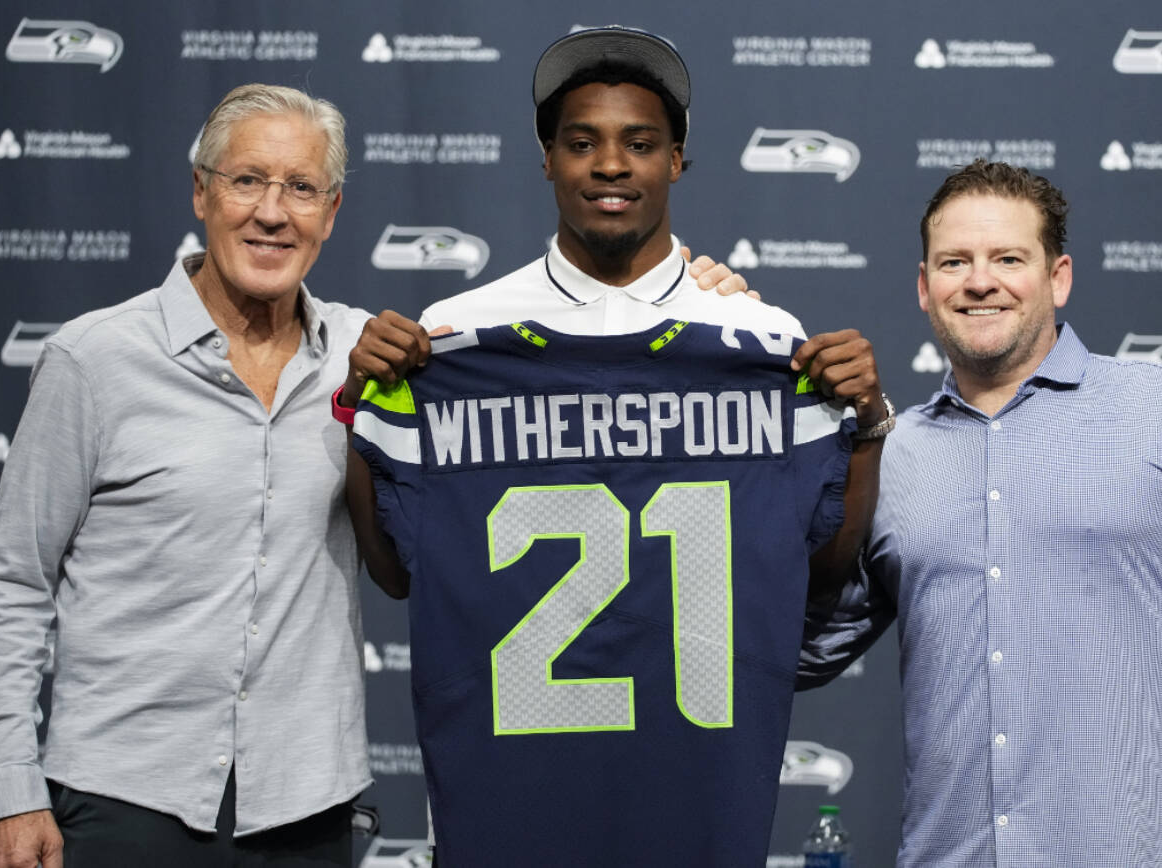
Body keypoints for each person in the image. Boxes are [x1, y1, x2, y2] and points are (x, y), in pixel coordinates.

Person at [0, 79, 745, 867]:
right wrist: (8, 791)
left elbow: (546, 345)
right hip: (122, 800)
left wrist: (695, 302)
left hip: (305, 810)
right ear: (200, 193)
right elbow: (13, 584)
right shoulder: (93, 359)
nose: (273, 212)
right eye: (247, 181)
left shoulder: (373, 359)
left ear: (331, 213)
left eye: (302, 189)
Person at [336, 26, 889, 864]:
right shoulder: (457, 338)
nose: (610, 165)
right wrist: (362, 405)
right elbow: (392, 569)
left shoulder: (761, 339)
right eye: (581, 142)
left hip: (695, 807)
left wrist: (865, 431)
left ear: (677, 160)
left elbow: (817, 570)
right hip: (516, 811)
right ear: (547, 157)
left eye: (640, 143)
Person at [798, 159, 1162, 866]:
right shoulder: (892, 455)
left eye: (1008, 258)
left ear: (1058, 278)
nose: (980, 281)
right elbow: (810, 649)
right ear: (926, 289)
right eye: (954, 261)